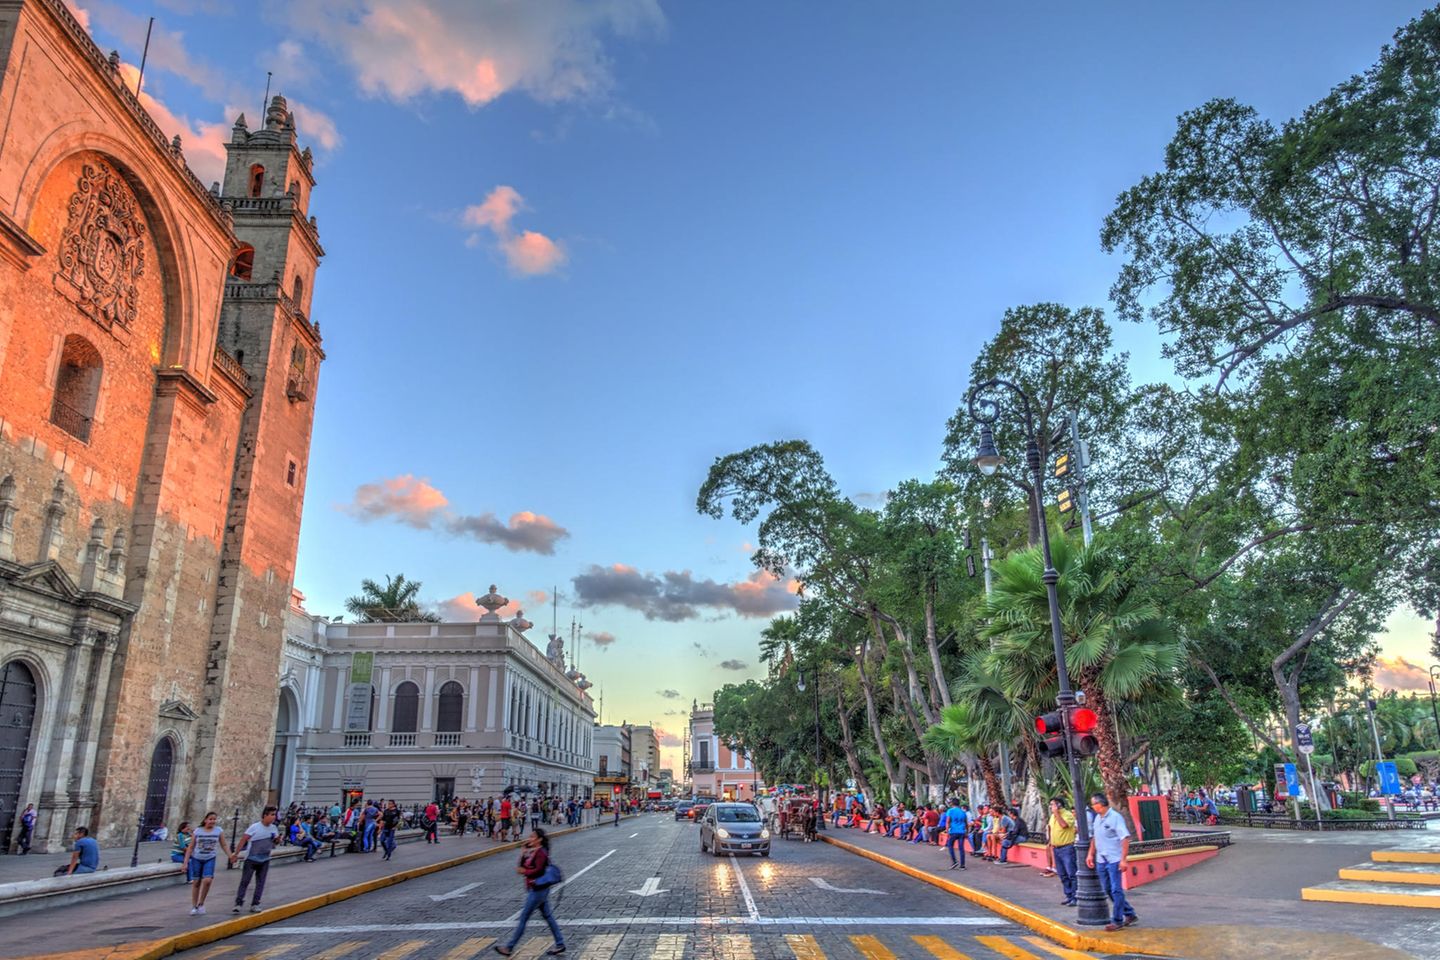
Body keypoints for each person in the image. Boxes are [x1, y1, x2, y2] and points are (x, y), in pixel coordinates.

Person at [495, 828, 565, 956]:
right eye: (530, 836)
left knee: (524, 918)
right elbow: (521, 865)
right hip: (537, 889)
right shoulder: (533, 852)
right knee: (548, 916)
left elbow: (538, 870)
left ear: (539, 839)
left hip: (538, 890)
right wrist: (523, 852)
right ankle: (560, 943)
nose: (530, 839)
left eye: (533, 837)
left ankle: (509, 947)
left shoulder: (541, 853)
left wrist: (525, 872)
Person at [1086, 794, 1137, 932]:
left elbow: (1125, 838)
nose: (1092, 806)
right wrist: (1091, 854)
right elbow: (1095, 837)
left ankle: (1117, 920)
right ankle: (1129, 913)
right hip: (1101, 859)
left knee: (1116, 889)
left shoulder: (1115, 817)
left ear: (1100, 804)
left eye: (1093, 804)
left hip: (1114, 859)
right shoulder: (1098, 818)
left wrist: (1123, 859)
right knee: (1108, 889)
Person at [230, 806, 281, 914]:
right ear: (265, 815)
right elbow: (244, 840)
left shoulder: (273, 828)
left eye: (274, 815)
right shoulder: (255, 827)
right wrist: (236, 854)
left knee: (260, 882)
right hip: (251, 859)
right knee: (245, 881)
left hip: (265, 859)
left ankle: (255, 903)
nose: (274, 817)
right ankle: (238, 903)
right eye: (272, 814)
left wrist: (277, 840)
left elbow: (275, 843)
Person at [183, 811, 231, 915]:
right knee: (196, 882)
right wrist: (185, 863)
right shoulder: (198, 831)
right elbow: (191, 847)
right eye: (210, 819)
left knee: (208, 880)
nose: (212, 821)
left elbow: (224, 845)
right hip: (197, 858)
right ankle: (194, 906)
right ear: (205, 820)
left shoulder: (218, 831)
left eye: (214, 819)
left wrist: (230, 856)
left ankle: (201, 903)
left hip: (210, 858)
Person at [1048, 798, 1078, 907]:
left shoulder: (1067, 814)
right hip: (1056, 848)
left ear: (1059, 805)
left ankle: (1075, 896)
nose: (1051, 807)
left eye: (1053, 804)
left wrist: (1056, 813)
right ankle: (1069, 895)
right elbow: (1050, 828)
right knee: (1062, 874)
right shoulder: (1052, 816)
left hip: (1067, 848)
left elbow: (1064, 825)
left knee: (1071, 873)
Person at [941, 800, 968, 869]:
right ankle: (962, 865)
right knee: (961, 848)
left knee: (950, 845)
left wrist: (947, 831)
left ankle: (954, 861)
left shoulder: (950, 811)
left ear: (952, 804)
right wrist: (966, 831)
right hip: (962, 831)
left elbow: (948, 822)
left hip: (953, 831)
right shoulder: (963, 812)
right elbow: (966, 823)